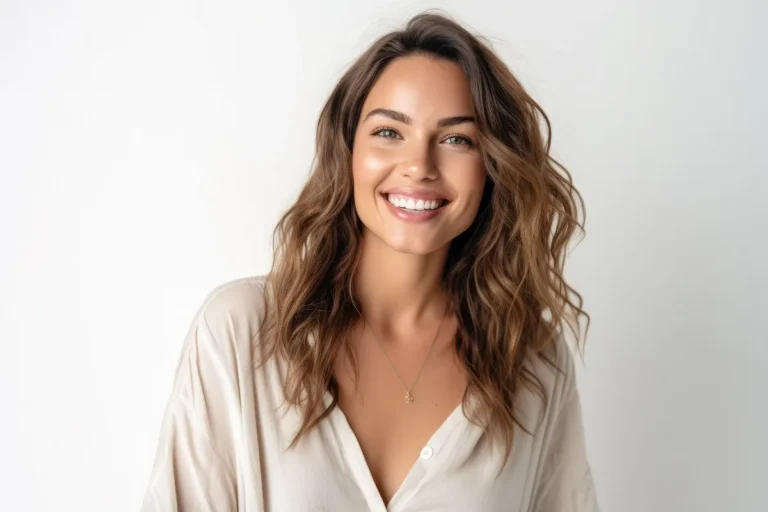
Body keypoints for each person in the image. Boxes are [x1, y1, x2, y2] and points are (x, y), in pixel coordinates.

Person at [141, 10, 599, 512]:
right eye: (389, 132)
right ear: (348, 150)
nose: (419, 167)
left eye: (456, 139)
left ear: (491, 166)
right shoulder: (242, 332)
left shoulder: (532, 358)